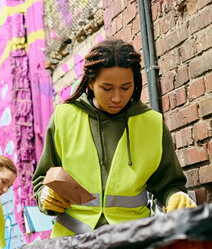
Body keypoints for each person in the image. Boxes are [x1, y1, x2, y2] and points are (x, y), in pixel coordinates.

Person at [32, 38, 196, 238]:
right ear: (91, 83)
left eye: (126, 87)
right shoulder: (63, 118)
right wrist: (45, 197)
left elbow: (169, 184)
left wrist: (176, 197)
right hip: (73, 247)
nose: (117, 97)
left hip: (132, 244)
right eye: (107, 88)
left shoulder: (152, 124)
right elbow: (41, 180)